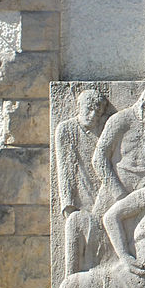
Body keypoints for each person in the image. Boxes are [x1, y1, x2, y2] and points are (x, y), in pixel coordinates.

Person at [55, 90, 109, 276]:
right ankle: (73, 279)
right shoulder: (66, 129)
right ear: (79, 107)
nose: (92, 115)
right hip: (81, 197)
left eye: (97, 111)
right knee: (79, 235)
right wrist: (68, 204)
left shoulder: (105, 129)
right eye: (88, 109)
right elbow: (65, 169)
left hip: (104, 195)